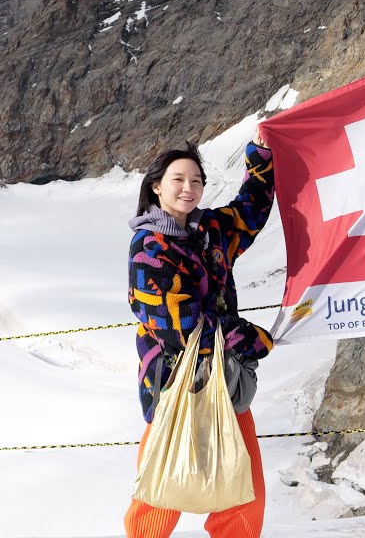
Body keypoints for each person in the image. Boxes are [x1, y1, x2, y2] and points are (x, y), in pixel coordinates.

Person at [124, 131, 276, 538]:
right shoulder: (149, 249)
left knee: (245, 493)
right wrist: (248, 339)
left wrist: (260, 157)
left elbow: (249, 213)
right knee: (161, 491)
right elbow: (180, 326)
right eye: (178, 179)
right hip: (176, 382)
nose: (188, 188)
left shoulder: (207, 230)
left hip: (224, 381)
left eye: (196, 180)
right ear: (156, 187)